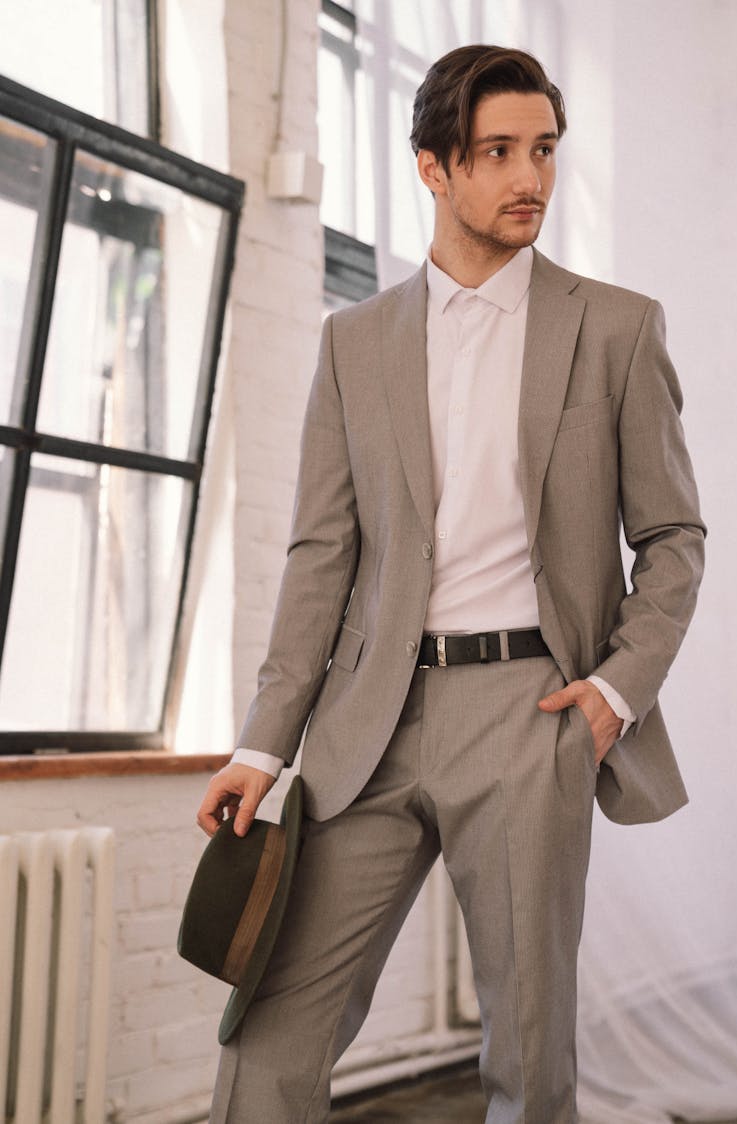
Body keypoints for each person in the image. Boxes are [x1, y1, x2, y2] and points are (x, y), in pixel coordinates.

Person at [198, 44, 705, 1124]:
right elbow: (319, 556)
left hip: (532, 711)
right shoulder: (355, 343)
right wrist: (261, 741)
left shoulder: (614, 327)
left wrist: (614, 695)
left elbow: (673, 536)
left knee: (528, 1045)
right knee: (273, 1022)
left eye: (545, 151)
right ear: (434, 166)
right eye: (498, 153)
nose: (530, 178)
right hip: (368, 718)